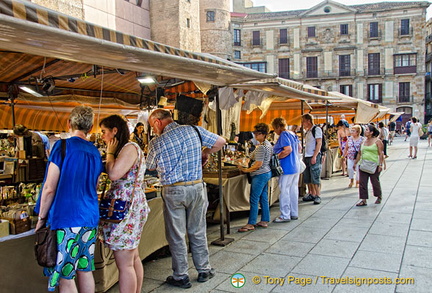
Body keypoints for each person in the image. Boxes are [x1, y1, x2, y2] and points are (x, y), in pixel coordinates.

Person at [146, 109, 226, 289]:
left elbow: (150, 166)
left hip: (173, 190)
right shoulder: (194, 130)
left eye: (153, 125)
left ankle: (181, 275)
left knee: (176, 235)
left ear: (158, 122)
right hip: (197, 187)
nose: (153, 129)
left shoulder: (156, 142)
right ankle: (204, 269)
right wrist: (205, 152)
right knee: (197, 230)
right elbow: (221, 142)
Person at [34, 106, 104, 292]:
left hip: (66, 218)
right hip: (89, 217)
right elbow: (95, 185)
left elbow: (49, 188)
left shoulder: (61, 147)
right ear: (90, 127)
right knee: (85, 268)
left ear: (69, 123)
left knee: (66, 274)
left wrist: (41, 218)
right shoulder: (95, 152)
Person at [99, 115, 150, 293]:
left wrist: (110, 153)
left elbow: (113, 174)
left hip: (125, 207)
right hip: (130, 205)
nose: (103, 136)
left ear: (115, 131)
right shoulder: (130, 148)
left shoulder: (129, 147)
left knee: (125, 263)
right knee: (132, 257)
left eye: (104, 132)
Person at [237, 123, 272, 230]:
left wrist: (246, 170)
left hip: (260, 174)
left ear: (264, 134)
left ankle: (251, 223)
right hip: (266, 173)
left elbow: (258, 164)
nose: (255, 135)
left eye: (258, 133)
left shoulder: (261, 147)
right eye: (255, 133)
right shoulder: (268, 144)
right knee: (263, 197)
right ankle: (265, 220)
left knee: (254, 198)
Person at [271, 118, 301, 222]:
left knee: (284, 190)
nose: (274, 131)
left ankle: (285, 215)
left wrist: (276, 157)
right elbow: (299, 148)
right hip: (295, 166)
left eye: (274, 128)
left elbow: (287, 150)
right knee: (293, 189)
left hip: (286, 167)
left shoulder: (283, 135)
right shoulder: (292, 134)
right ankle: (294, 212)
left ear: (278, 127)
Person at [354, 124, 385, 206]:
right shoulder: (363, 141)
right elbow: (360, 153)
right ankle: (363, 199)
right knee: (362, 182)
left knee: (375, 181)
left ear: (371, 132)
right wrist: (356, 163)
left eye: (367, 130)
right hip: (363, 163)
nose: (365, 131)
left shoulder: (377, 141)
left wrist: (381, 164)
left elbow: (381, 154)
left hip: (374, 164)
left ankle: (379, 196)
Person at [301, 113, 323, 205]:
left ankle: (318, 195)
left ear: (308, 121)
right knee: (308, 176)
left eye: (303, 121)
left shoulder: (316, 129)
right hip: (307, 155)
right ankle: (311, 193)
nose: (302, 123)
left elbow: (319, 143)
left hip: (313, 155)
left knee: (315, 176)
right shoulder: (308, 131)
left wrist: (314, 156)